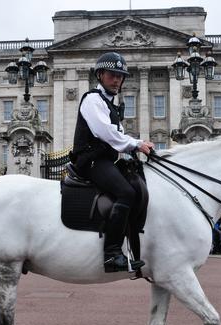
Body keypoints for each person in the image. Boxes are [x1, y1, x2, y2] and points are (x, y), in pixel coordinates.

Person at [70, 51, 154, 273]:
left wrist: (134, 151)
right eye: (112, 75)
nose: (116, 79)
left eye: (120, 75)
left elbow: (117, 138)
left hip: (104, 160)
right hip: (90, 160)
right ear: (100, 75)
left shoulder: (112, 105)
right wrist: (136, 144)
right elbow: (107, 134)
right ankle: (112, 254)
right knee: (126, 193)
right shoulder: (92, 100)